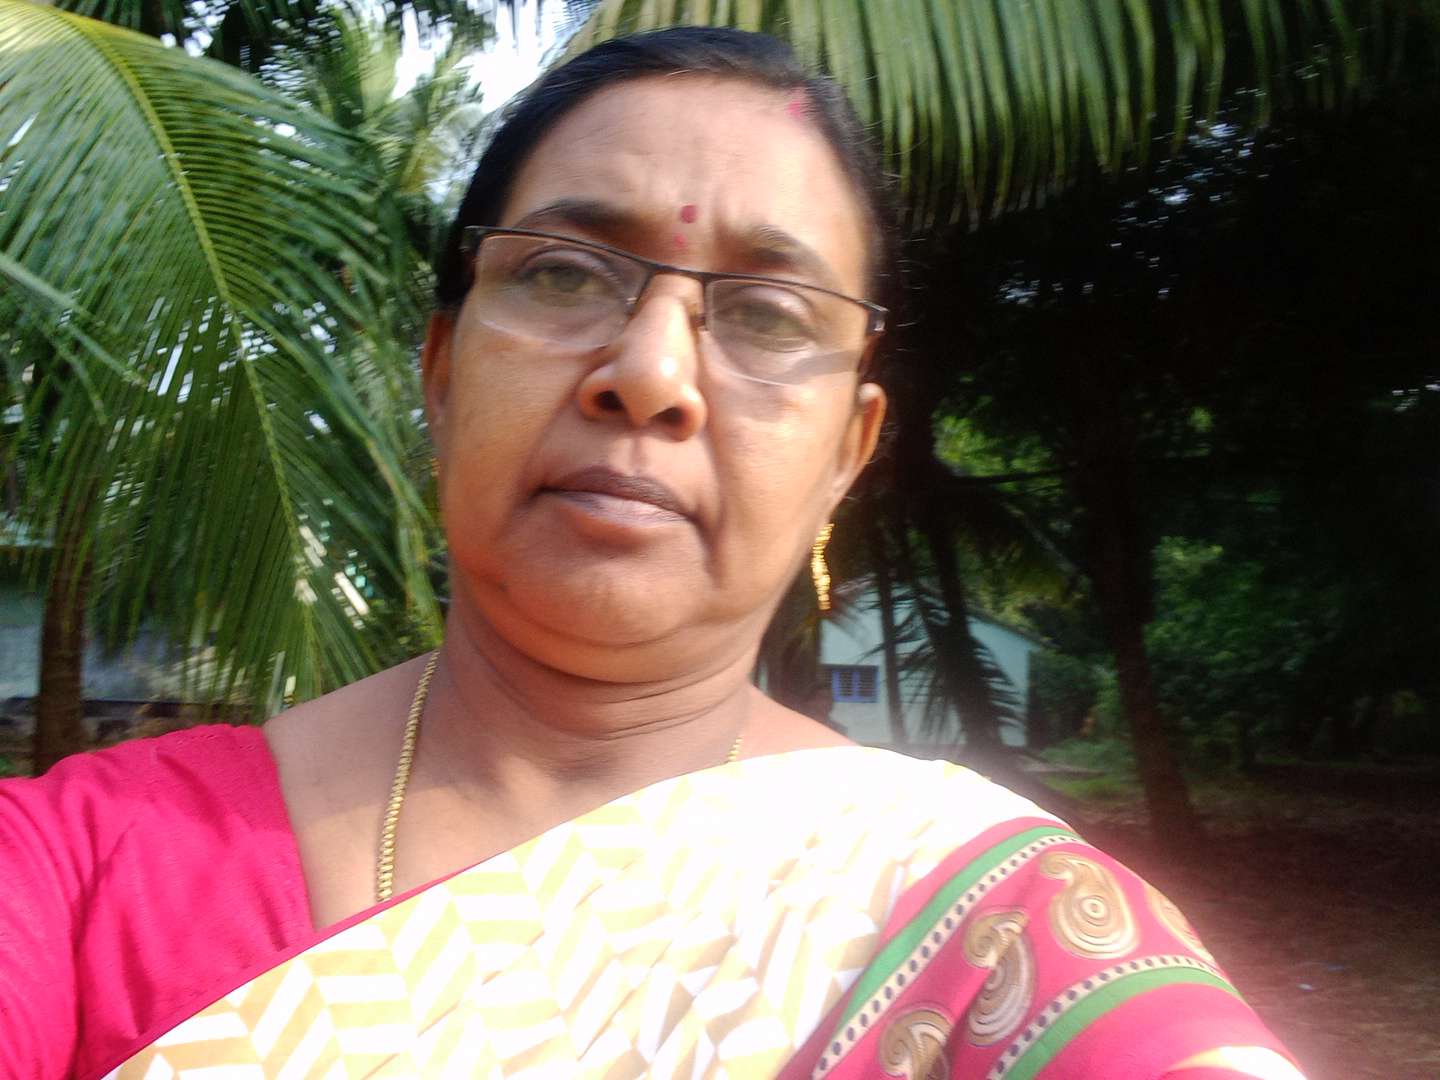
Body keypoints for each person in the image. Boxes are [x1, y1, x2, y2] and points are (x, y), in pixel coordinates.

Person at [0, 28, 1304, 1079]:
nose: (652, 373)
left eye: (770, 314)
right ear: (442, 370)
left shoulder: (987, 932)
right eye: (567, 275)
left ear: (848, 451)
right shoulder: (80, 871)